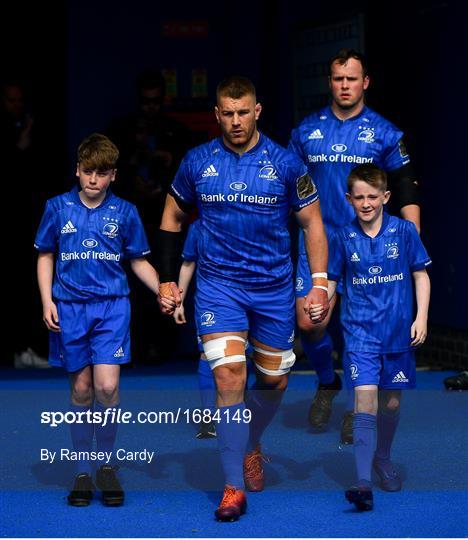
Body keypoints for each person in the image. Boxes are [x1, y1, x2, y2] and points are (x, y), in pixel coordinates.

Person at [157, 76, 329, 521]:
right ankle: (233, 485)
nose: (235, 121)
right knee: (230, 377)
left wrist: (319, 282)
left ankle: (250, 441)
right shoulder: (197, 162)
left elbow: (312, 223)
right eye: (227, 113)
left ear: (258, 111)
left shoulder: (286, 163)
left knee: (273, 381)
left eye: (243, 112)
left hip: (272, 289)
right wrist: (167, 279)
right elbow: (173, 218)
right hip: (220, 288)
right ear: (217, 115)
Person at [288, 49, 421, 443]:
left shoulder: (385, 132)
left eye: (352, 79)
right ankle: (328, 382)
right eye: (337, 78)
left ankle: (355, 409)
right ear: (329, 82)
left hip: (369, 248)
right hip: (317, 243)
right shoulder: (305, 131)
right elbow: (288, 188)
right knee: (309, 324)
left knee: (362, 329)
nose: (344, 85)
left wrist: (410, 239)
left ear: (365, 83)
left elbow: (405, 186)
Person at [34, 133, 167, 507]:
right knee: (81, 390)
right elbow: (45, 254)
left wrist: (162, 290)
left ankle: (106, 465)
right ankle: (81, 471)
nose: (94, 180)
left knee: (106, 388)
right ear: (77, 170)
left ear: (113, 176)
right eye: (88, 172)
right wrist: (47, 300)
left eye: (102, 173)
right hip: (70, 308)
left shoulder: (125, 212)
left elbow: (138, 261)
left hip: (112, 308)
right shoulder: (57, 208)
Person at [314, 164, 430, 511]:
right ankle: (363, 481)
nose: (366, 203)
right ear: (348, 199)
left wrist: (421, 317)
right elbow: (333, 280)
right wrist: (322, 303)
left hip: (397, 333)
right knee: (365, 400)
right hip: (359, 333)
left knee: (391, 403)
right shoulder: (342, 236)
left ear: (386, 197)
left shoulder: (405, 231)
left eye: (372, 197)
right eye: (359, 197)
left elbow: (421, 275)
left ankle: (383, 457)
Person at [106, 69, 190, 364]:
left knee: (168, 278)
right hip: (130, 218)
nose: (151, 107)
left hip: (166, 221)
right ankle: (136, 348)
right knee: (131, 284)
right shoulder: (121, 130)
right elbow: (107, 170)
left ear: (163, 100)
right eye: (146, 101)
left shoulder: (176, 132)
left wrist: (165, 174)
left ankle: (166, 348)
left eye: (156, 101)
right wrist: (132, 180)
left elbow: (188, 176)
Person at [173, 218, 217, 439]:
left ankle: (235, 409)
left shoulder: (249, 217)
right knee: (207, 353)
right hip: (210, 298)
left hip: (247, 293)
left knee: (241, 355)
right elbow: (189, 262)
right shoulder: (198, 226)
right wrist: (179, 301)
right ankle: (208, 416)